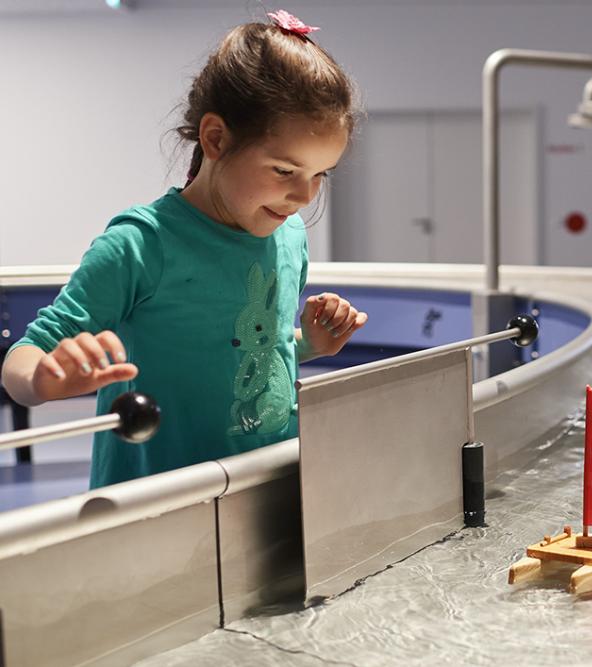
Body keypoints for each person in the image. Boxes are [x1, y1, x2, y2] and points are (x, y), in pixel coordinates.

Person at [0, 10, 366, 488]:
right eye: (284, 171)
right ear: (215, 139)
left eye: (321, 174)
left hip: (270, 490)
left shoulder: (289, 234)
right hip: (161, 509)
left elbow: (250, 355)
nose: (304, 196)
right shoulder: (141, 244)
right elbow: (20, 361)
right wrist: (45, 377)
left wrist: (310, 345)